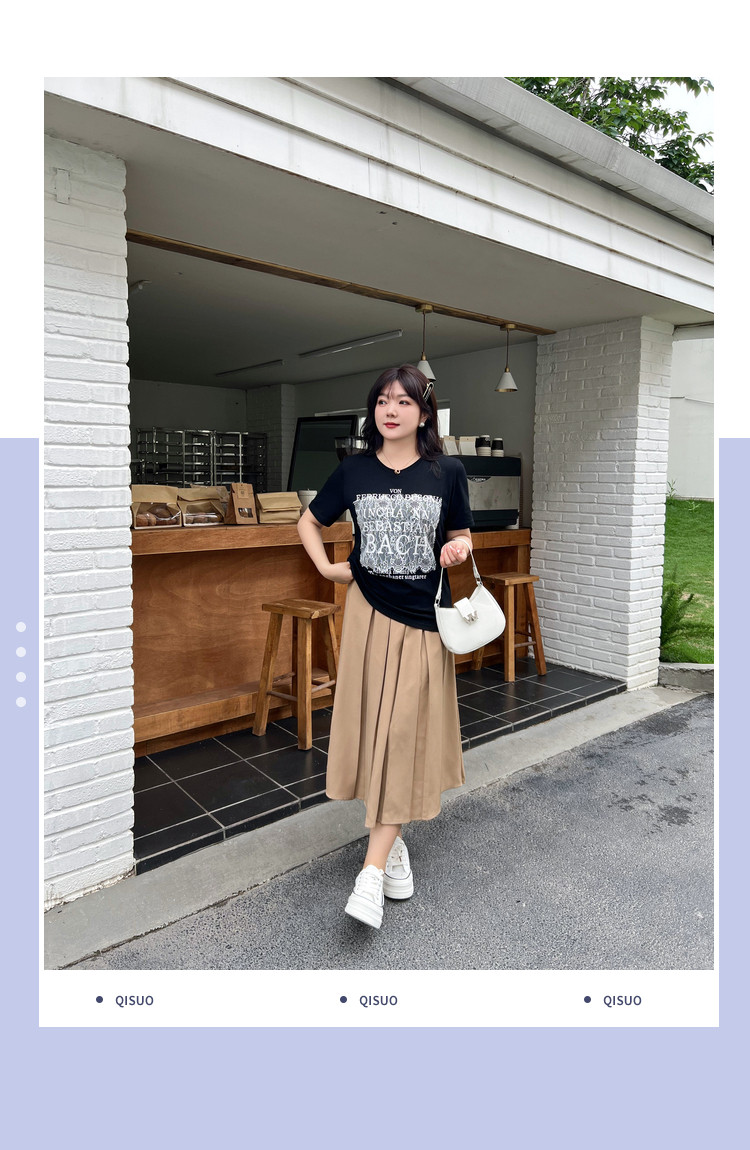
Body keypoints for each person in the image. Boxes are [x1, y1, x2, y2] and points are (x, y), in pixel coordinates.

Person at [297, 364, 474, 929]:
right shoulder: (353, 470)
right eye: (382, 401)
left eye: (403, 401)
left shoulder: (447, 471)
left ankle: (370, 873)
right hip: (367, 615)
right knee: (374, 729)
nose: (390, 410)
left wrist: (457, 552)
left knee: (401, 733)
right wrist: (328, 568)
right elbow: (308, 522)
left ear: (424, 413)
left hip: (424, 620)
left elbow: (461, 536)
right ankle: (392, 846)